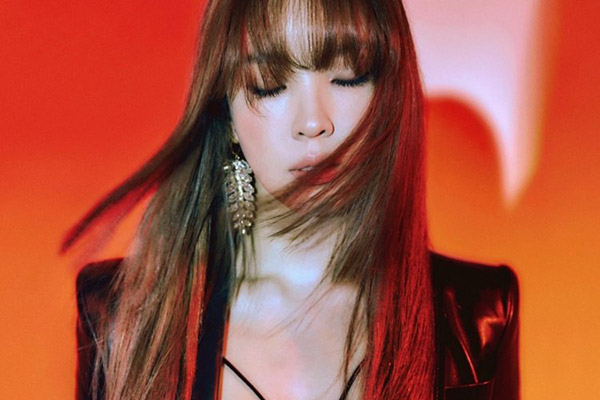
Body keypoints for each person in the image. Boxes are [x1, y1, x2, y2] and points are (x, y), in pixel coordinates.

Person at [65, 0, 520, 399]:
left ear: (388, 96)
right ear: (226, 111)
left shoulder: (478, 318)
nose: (313, 122)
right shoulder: (118, 315)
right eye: (269, 82)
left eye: (347, 76)